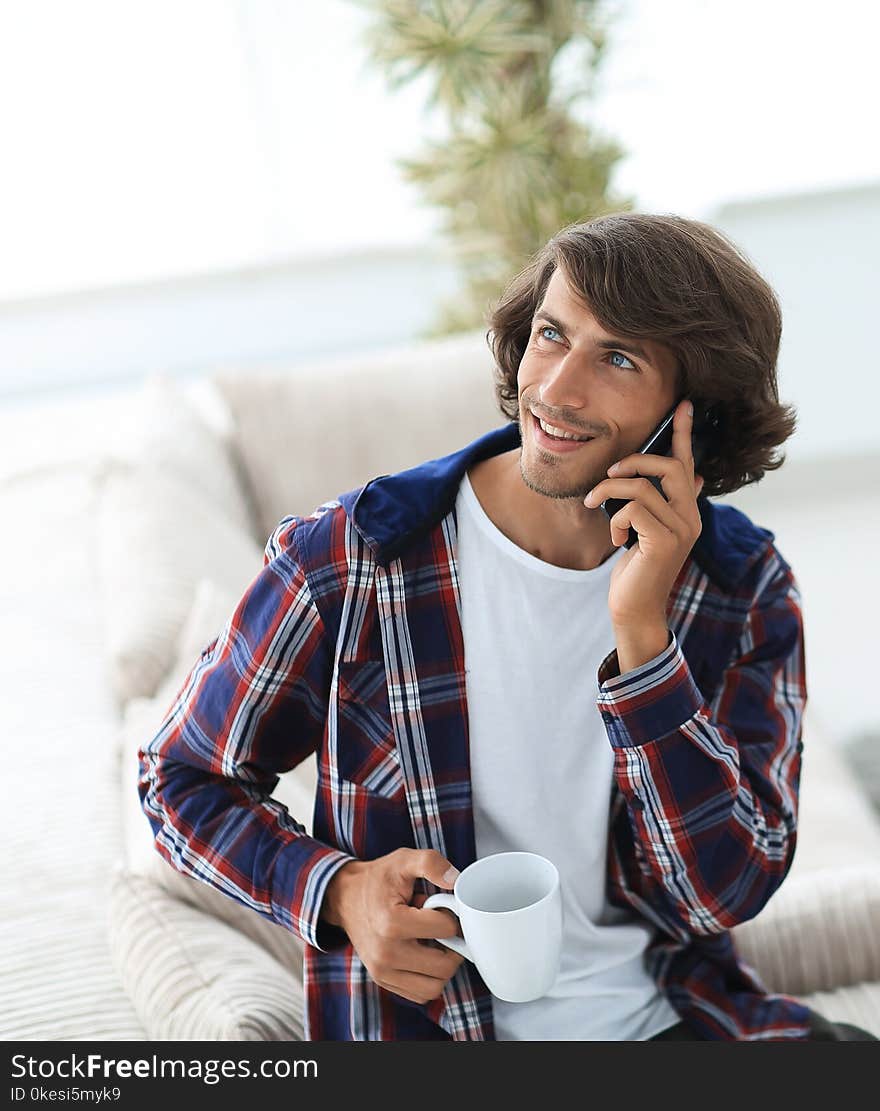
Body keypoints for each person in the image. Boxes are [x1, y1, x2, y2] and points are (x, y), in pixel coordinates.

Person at [138, 212, 877, 1041]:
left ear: (691, 418)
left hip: (677, 1021)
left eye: (619, 358)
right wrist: (339, 890)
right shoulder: (353, 559)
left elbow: (721, 894)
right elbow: (181, 778)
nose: (558, 389)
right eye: (553, 335)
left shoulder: (742, 588)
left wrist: (643, 638)